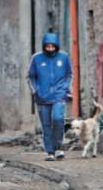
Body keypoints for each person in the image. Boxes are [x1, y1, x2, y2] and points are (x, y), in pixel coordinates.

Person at [27, 32, 72, 161]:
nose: (50, 49)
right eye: (48, 46)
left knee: (58, 119)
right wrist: (35, 91)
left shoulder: (63, 57)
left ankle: (58, 148)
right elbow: (30, 76)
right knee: (46, 125)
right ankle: (50, 152)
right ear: (44, 46)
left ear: (56, 46)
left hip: (59, 95)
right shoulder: (37, 58)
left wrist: (65, 88)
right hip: (42, 97)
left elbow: (69, 74)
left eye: (53, 46)